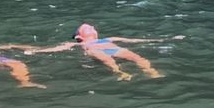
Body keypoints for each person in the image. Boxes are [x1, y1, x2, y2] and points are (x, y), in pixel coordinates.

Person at [23, 23, 167, 81]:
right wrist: (161, 40)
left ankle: (120, 73)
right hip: (112, 47)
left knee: (109, 61)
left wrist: (36, 52)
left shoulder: (79, 44)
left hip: (94, 50)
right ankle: (152, 72)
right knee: (137, 58)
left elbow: (57, 49)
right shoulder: (109, 38)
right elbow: (134, 40)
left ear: (79, 37)